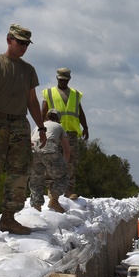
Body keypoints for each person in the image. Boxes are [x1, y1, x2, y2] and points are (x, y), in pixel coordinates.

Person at [0, 24, 47, 234]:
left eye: (26, 44)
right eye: (19, 42)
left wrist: (41, 127)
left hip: (20, 124)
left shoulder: (28, 70)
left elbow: (32, 101)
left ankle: (9, 218)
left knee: (19, 173)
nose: (23, 47)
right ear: (8, 39)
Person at [41, 67, 89, 199]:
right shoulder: (49, 92)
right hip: (53, 132)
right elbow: (43, 111)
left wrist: (85, 127)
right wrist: (41, 129)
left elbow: (80, 112)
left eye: (65, 80)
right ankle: (51, 189)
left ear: (69, 79)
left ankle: (68, 190)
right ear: (57, 78)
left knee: (71, 161)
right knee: (52, 160)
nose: (63, 82)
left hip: (71, 134)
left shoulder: (75, 94)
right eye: (61, 79)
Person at [29, 109, 71, 212]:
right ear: (58, 119)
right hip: (49, 146)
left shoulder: (38, 126)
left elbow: (30, 140)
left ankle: (36, 207)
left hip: (32, 149)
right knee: (63, 176)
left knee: (36, 180)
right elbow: (67, 149)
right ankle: (54, 200)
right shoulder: (59, 127)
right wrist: (63, 165)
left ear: (47, 117)